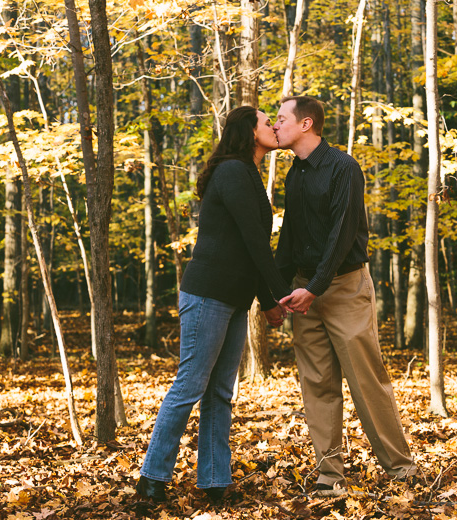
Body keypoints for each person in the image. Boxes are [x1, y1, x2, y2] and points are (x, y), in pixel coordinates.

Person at [136, 106, 290, 505]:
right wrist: (278, 295)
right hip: (208, 294)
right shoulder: (233, 172)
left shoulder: (247, 173)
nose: (274, 127)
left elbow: (248, 246)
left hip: (234, 299)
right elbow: (256, 242)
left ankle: (215, 481)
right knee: (190, 385)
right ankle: (152, 478)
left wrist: (266, 301)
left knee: (220, 392)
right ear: (248, 131)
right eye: (266, 122)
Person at [273, 96, 417, 494]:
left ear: (306, 124)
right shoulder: (294, 174)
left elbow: (342, 234)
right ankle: (329, 475)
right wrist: (278, 291)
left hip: (344, 287)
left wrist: (314, 288)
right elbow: (290, 236)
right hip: (303, 292)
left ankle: (401, 468)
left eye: (282, 119)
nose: (275, 127)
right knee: (316, 382)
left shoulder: (343, 167)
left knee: (366, 380)